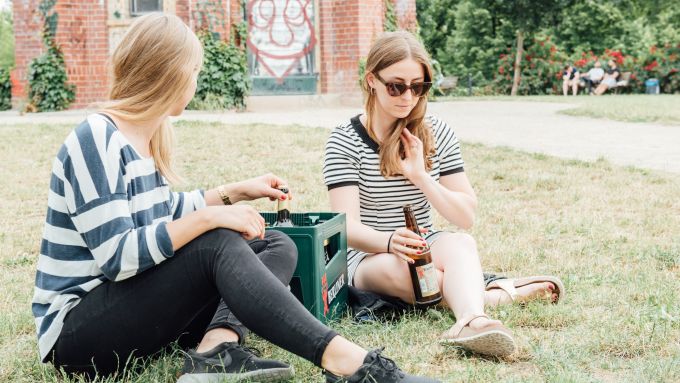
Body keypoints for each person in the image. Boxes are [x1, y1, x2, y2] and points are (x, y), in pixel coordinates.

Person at [32, 13, 439, 383]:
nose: (195, 82)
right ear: (167, 74)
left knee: (273, 241)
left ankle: (216, 348)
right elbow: (119, 257)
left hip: (132, 308)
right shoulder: (97, 137)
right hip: (77, 334)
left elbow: (161, 215)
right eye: (192, 71)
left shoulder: (143, 137)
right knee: (216, 243)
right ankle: (346, 361)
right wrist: (212, 220)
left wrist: (233, 193)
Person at [323, 31, 564, 358]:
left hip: (426, 242)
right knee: (411, 274)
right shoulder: (344, 140)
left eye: (418, 86)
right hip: (368, 257)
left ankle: (472, 321)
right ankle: (498, 294)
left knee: (462, 244)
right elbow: (346, 226)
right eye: (396, 86)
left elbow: (465, 217)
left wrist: (422, 177)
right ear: (372, 81)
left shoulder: (436, 132)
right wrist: (390, 241)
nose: (408, 96)